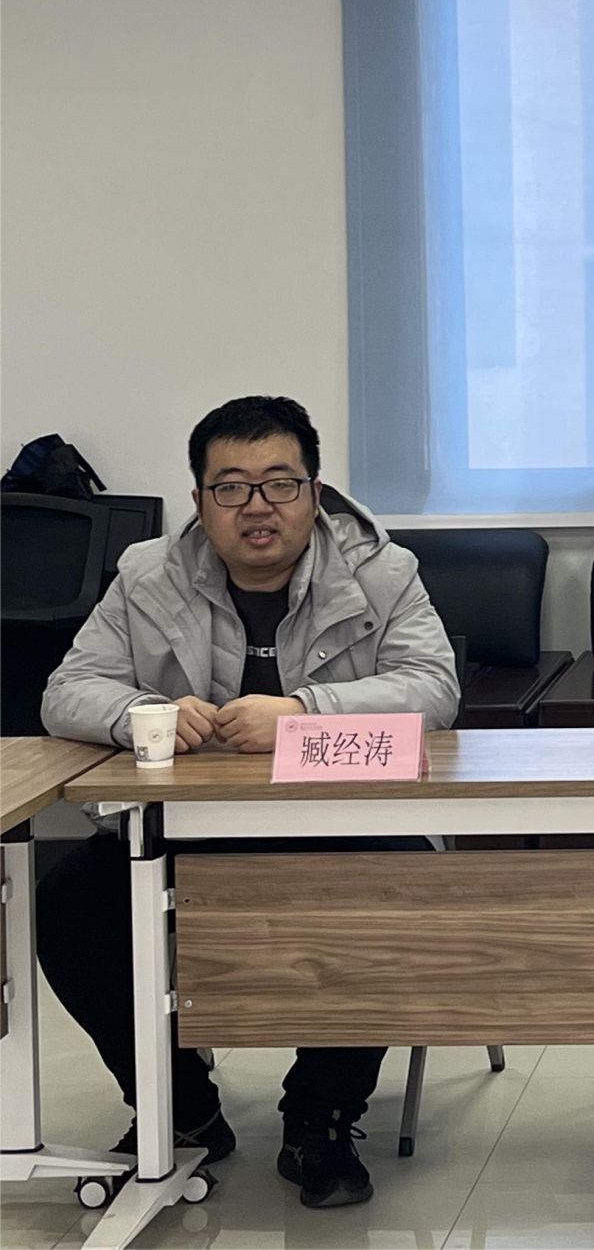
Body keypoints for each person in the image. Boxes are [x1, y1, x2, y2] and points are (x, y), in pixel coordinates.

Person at [39, 395, 460, 1208]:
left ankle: (322, 1116)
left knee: (396, 892)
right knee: (68, 903)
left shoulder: (381, 570)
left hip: (344, 824)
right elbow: (68, 690)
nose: (257, 506)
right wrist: (146, 714)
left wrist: (304, 711)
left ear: (315, 491)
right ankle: (178, 1106)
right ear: (199, 500)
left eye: (280, 483)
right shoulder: (148, 574)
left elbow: (434, 689)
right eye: (231, 487)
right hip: (185, 826)